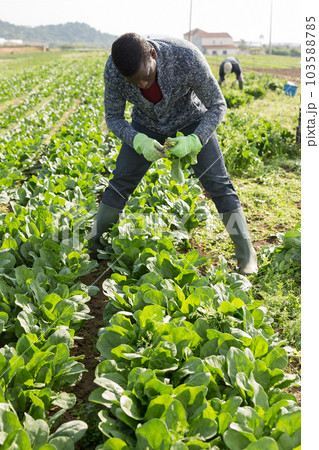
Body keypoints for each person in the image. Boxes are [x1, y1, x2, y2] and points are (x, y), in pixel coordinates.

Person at [87, 33, 257, 275]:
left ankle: (247, 255)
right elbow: (113, 117)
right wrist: (136, 139)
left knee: (218, 183)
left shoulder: (186, 57)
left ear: (153, 55)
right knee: (119, 182)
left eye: (146, 77)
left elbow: (218, 105)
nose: (142, 85)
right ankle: (94, 248)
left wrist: (195, 140)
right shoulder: (114, 70)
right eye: (134, 82)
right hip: (145, 125)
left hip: (191, 120)